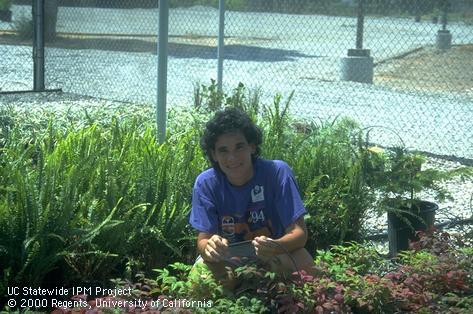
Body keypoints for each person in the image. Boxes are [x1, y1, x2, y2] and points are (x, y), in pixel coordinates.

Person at [189, 107, 315, 289]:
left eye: (239, 147)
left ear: (252, 146)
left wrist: (275, 246)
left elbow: (300, 234)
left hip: (274, 256)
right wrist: (210, 247)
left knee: (304, 262)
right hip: (229, 261)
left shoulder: (277, 173)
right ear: (214, 155)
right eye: (223, 150)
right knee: (200, 279)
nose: (232, 158)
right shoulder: (206, 183)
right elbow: (203, 240)